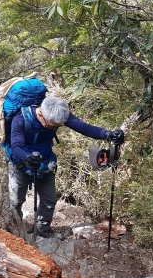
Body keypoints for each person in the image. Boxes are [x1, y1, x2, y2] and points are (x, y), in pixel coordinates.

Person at [8, 96, 124, 237]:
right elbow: (16, 146)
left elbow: (84, 128)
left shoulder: (59, 114)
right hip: (20, 163)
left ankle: (42, 230)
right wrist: (26, 157)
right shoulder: (20, 119)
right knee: (16, 200)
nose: (55, 127)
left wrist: (108, 134)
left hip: (45, 163)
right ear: (40, 114)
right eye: (52, 126)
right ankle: (15, 230)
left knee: (49, 200)